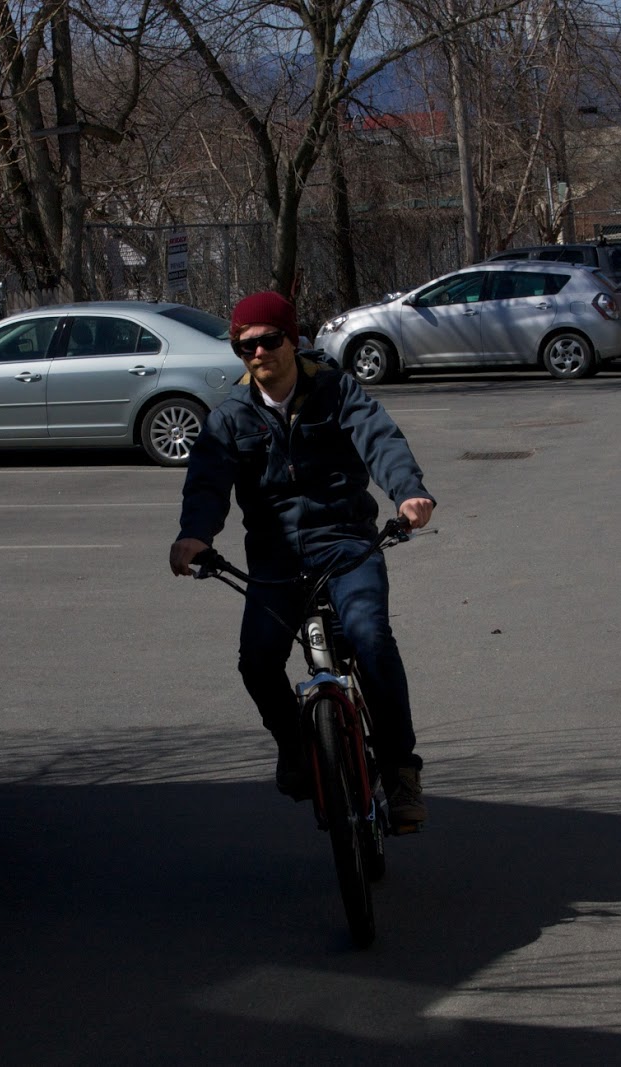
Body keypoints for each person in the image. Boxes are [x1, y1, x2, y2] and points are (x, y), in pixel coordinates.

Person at [168, 290, 437, 826]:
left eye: (269, 341)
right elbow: (207, 482)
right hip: (274, 557)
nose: (259, 353)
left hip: (346, 544)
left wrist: (407, 492)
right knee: (258, 661)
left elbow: (380, 439)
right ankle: (296, 748)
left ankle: (400, 772)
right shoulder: (229, 418)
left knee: (370, 639)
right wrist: (193, 535)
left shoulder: (338, 393)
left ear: (292, 341)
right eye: (246, 347)